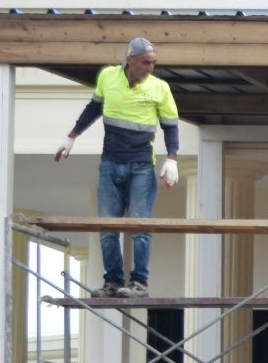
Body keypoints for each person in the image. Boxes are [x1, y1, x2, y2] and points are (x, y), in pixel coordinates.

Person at [54, 36, 181, 297]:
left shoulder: (160, 87)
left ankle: (139, 283)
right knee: (107, 227)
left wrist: (172, 159)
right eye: (146, 62)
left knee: (140, 227)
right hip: (110, 164)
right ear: (130, 60)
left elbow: (170, 125)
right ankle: (112, 282)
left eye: (153, 63)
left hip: (141, 166)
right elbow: (94, 108)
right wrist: (71, 137)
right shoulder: (108, 77)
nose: (150, 68)